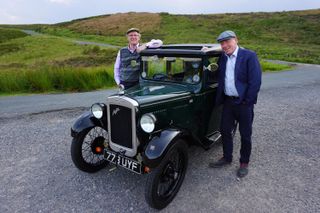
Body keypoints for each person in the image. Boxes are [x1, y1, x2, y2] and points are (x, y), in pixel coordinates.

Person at [206, 30, 262, 178]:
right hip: (228, 102)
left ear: (236, 40)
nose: (225, 45)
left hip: (244, 103)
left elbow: (255, 82)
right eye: (222, 43)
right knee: (224, 130)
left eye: (227, 41)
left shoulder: (249, 56)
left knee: (245, 135)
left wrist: (247, 101)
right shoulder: (223, 57)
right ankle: (227, 157)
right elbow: (216, 73)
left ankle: (244, 162)